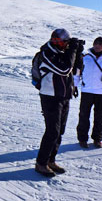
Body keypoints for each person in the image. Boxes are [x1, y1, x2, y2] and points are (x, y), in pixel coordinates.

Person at [35, 28, 82, 177]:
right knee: (52, 131)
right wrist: (72, 50)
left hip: (63, 96)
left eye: (61, 41)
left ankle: (51, 160)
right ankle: (41, 163)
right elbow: (64, 69)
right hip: (50, 97)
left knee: (60, 131)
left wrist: (77, 52)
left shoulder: (62, 53)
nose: (58, 43)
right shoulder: (46, 53)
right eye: (56, 40)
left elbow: (74, 70)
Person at [75, 37, 102, 148]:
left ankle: (97, 139)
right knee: (83, 116)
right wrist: (74, 86)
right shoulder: (86, 57)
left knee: (100, 117)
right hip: (87, 90)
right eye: (96, 43)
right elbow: (78, 72)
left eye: (100, 44)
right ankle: (82, 138)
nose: (97, 46)